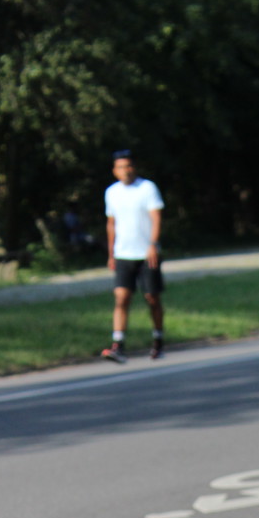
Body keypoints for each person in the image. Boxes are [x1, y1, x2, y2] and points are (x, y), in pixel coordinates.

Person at [101, 150, 165, 362]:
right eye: (121, 167)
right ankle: (118, 345)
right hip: (123, 254)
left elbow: (156, 218)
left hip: (146, 253)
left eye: (128, 166)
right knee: (121, 297)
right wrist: (111, 252)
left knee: (152, 297)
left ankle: (158, 339)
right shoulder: (111, 192)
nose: (125, 171)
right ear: (114, 171)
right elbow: (111, 223)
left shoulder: (147, 188)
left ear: (134, 167)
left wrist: (153, 245)